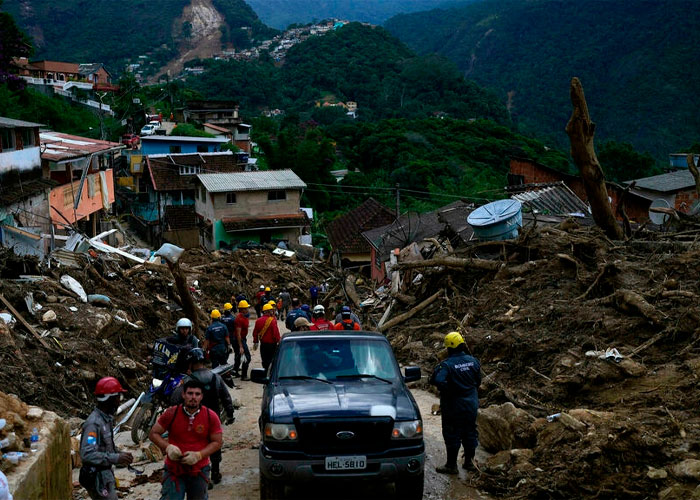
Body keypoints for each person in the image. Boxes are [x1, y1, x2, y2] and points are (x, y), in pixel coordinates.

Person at [149, 379, 223, 499]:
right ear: (183, 394)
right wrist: (168, 447)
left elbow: (217, 442)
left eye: (197, 394)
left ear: (202, 397)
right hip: (174, 470)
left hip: (199, 470)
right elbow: (153, 433)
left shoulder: (211, 416)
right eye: (190, 393)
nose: (193, 397)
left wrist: (199, 455)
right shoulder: (171, 413)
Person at [172, 349, 234, 490]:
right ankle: (216, 472)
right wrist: (230, 414)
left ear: (191, 363)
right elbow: (226, 397)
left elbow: (175, 399)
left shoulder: (188, 381)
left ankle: (202, 476)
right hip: (214, 418)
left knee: (198, 447)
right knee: (214, 444)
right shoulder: (215, 377)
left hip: (195, 420)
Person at [430, 332, 481, 475]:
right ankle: (469, 463)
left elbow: (438, 380)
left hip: (453, 406)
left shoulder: (446, 365)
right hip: (471, 404)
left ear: (449, 347)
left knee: (452, 433)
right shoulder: (473, 361)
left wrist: (448, 389)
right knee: (470, 432)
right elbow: (478, 381)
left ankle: (451, 465)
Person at [79, 377, 134, 500]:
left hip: (105, 475)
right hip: (96, 477)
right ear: (110, 398)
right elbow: (87, 454)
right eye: (117, 398)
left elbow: (104, 447)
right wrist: (116, 457)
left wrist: (120, 455)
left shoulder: (106, 420)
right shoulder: (94, 424)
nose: (119, 402)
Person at [253, 303, 281, 373]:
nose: (272, 312)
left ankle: (265, 372)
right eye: (271, 310)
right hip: (272, 344)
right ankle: (271, 373)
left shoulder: (258, 321)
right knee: (272, 359)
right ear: (268, 311)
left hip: (263, 344)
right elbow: (275, 333)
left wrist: (255, 341)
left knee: (265, 360)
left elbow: (255, 332)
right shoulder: (272, 320)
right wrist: (279, 341)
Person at [233, 300, 252, 380]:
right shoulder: (239, 319)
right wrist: (241, 346)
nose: (247, 309)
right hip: (239, 339)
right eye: (246, 308)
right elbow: (238, 333)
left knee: (238, 356)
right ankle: (244, 375)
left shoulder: (244, 317)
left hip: (242, 338)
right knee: (247, 357)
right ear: (242, 309)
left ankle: (235, 371)